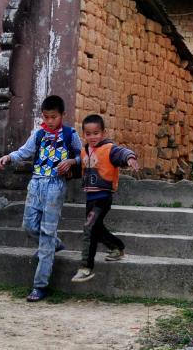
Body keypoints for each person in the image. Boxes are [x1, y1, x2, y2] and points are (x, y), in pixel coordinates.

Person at [0, 94, 82, 302]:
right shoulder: (39, 133)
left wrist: (71, 161)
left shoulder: (71, 134)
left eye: (53, 117)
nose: (50, 121)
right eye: (46, 117)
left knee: (47, 231)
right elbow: (25, 151)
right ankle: (55, 244)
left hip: (55, 185)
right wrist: (9, 157)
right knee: (28, 225)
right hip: (36, 183)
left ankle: (40, 285)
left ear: (63, 115)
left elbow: (83, 156)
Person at [70, 114, 139, 283]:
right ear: (83, 134)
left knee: (89, 227)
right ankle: (117, 247)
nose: (92, 137)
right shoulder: (84, 151)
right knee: (96, 228)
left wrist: (129, 158)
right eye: (88, 134)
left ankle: (86, 267)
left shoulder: (109, 149)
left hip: (103, 198)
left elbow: (122, 152)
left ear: (103, 133)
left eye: (96, 133)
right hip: (90, 198)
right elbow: (81, 168)